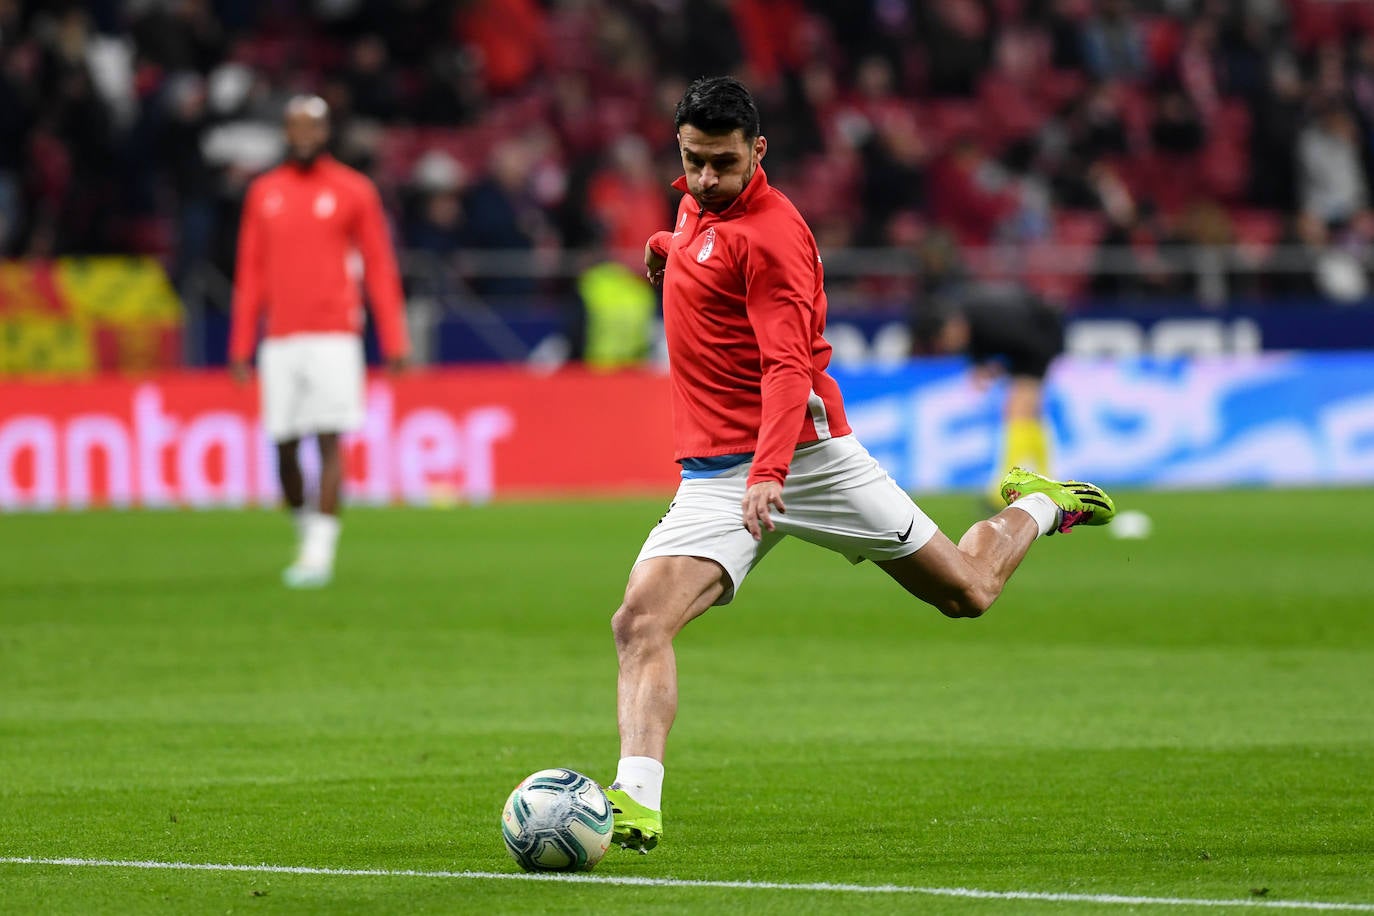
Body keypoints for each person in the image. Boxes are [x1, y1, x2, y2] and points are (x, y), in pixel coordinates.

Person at [604, 77, 1116, 853]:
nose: (707, 179)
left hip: (808, 460)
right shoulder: (696, 208)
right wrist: (666, 248)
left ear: (759, 151)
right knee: (640, 621)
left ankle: (1039, 505)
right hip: (713, 473)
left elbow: (785, 369)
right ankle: (636, 803)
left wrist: (772, 471)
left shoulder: (774, 237)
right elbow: (703, 249)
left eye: (723, 164)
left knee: (968, 594)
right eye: (693, 161)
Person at [228, 95, 409, 588]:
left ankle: (319, 550)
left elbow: (379, 265)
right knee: (284, 445)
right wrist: (241, 344)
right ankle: (307, 530)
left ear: (326, 131)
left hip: (334, 334)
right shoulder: (264, 192)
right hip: (281, 337)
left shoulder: (354, 191)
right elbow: (250, 271)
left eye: (312, 127)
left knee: (329, 437)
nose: (303, 135)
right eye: (295, 127)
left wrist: (394, 337)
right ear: (285, 132)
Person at [908, 229, 1064, 502]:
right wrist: (983, 365)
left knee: (1018, 409)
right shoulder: (971, 318)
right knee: (1030, 413)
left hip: (1043, 337)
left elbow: (1026, 345)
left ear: (951, 326)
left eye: (946, 340)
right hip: (1032, 336)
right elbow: (982, 349)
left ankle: (1003, 488)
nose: (948, 347)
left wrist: (1002, 370)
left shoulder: (995, 321)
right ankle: (1048, 479)